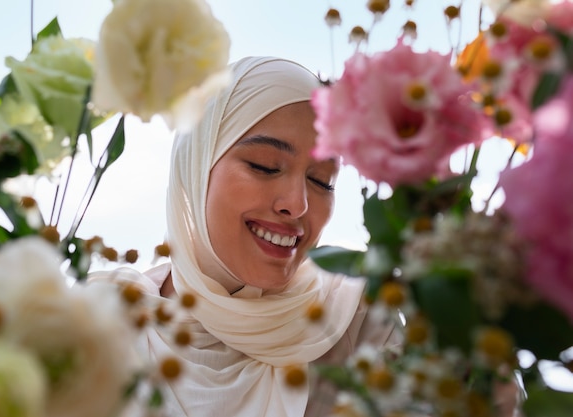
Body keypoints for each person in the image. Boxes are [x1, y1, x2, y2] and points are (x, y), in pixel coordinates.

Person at [93, 56, 516, 416]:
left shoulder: (355, 319)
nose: (297, 205)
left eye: (322, 180)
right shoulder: (100, 319)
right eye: (264, 166)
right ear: (197, 165)